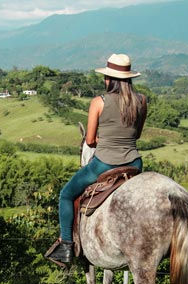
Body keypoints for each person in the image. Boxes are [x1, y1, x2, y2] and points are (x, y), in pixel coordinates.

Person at [45, 53, 147, 265]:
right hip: (134, 163)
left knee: (65, 194)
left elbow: (90, 140)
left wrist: (104, 138)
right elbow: (136, 135)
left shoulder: (98, 102)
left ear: (109, 79)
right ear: (128, 78)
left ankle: (65, 245)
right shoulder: (142, 101)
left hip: (104, 163)